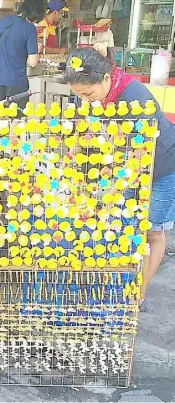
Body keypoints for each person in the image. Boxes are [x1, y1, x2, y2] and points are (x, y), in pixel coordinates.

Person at [62, 47, 175, 310]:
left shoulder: (134, 97)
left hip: (164, 164)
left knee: (152, 231)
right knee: (124, 226)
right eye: (78, 95)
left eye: (87, 94)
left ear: (105, 78)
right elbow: (84, 129)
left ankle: (138, 295)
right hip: (128, 165)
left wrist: (112, 186)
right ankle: (121, 281)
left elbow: (140, 153)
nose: (84, 100)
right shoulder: (90, 95)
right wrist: (68, 161)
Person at [0, 0, 46, 108]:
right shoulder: (29, 28)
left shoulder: (2, 23)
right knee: (16, 122)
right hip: (17, 83)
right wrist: (35, 51)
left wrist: (8, 51)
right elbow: (33, 62)